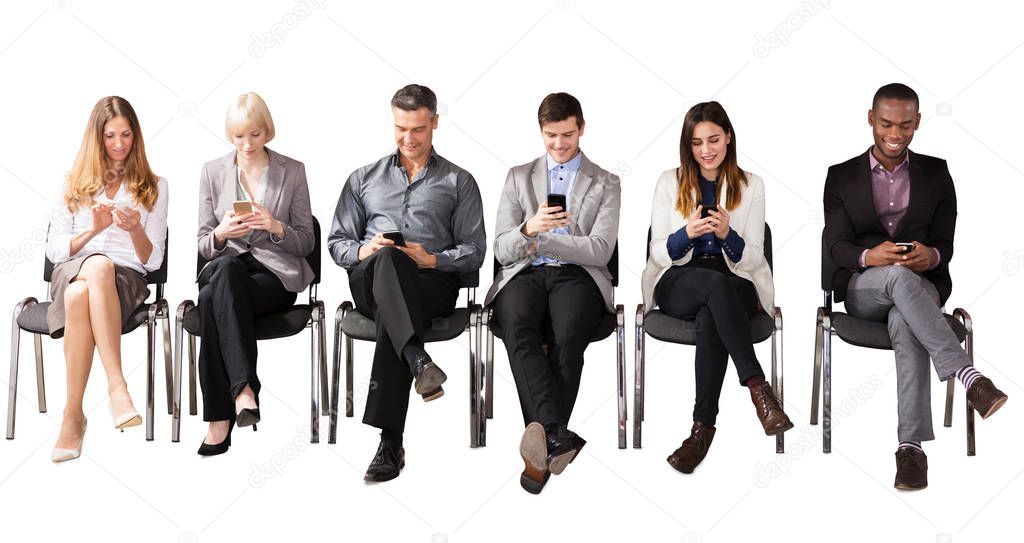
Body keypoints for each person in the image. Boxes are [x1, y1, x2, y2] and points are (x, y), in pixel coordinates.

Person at [823, 83, 1007, 490]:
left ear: (918, 122)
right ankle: (968, 377)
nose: (895, 133)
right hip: (863, 289)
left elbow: (945, 243)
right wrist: (873, 257)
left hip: (919, 292)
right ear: (871, 119)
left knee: (905, 320)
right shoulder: (840, 176)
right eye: (886, 123)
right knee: (894, 277)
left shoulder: (937, 173)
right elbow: (835, 247)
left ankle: (911, 451)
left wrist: (932, 257)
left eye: (906, 125)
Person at [328, 84, 486, 482]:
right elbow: (336, 243)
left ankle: (390, 442)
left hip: (430, 284)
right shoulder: (363, 178)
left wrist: (430, 258)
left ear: (434, 122)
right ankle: (417, 361)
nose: (408, 138)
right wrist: (367, 250)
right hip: (370, 279)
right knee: (387, 261)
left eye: (418, 129)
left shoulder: (459, 181)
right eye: (401, 128)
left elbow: (475, 250)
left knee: (395, 306)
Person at [641, 101, 792, 475]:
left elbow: (755, 258)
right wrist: (686, 234)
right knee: (710, 285)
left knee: (715, 306)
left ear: (729, 137)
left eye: (713, 139)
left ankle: (700, 432)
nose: (706, 150)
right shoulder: (668, 181)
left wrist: (728, 235)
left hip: (735, 281)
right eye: (696, 143)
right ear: (687, 146)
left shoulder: (751, 185)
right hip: (679, 280)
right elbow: (658, 251)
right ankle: (759, 389)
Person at [486, 92, 620, 494]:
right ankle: (556, 434)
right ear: (540, 132)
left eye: (566, 135)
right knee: (516, 325)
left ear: (581, 128)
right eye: (551, 136)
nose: (559, 145)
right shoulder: (517, 177)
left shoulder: (607, 182)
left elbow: (600, 250)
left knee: (567, 335)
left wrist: (546, 242)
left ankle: (540, 448)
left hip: (578, 276)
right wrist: (530, 228)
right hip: (524, 275)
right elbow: (501, 249)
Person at [44, 96, 169, 462]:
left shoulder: (155, 186)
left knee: (81, 294)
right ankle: (117, 387)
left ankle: (72, 417)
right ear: (96, 138)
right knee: (91, 270)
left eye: (126, 134)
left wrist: (134, 231)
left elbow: (153, 259)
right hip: (72, 270)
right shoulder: (71, 182)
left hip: (125, 279)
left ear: (136, 136)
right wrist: (92, 232)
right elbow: (55, 252)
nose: (118, 144)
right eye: (110, 135)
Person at [194, 92, 315, 456]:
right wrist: (221, 234)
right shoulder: (212, 171)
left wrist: (275, 226)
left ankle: (219, 421)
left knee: (210, 298)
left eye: (255, 135)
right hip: (225, 265)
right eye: (238, 137)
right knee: (226, 269)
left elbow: (306, 241)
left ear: (267, 132)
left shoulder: (292, 171)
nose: (246, 145)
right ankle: (243, 391)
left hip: (272, 275)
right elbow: (202, 243)